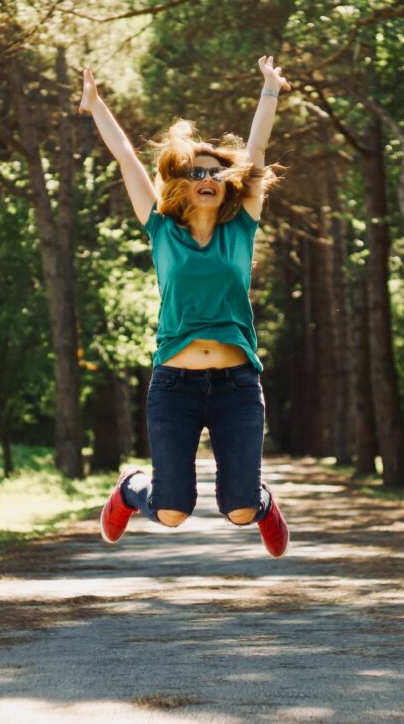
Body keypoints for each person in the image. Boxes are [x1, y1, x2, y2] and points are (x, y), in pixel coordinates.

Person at [79, 56, 291, 557]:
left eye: (216, 172)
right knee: (172, 512)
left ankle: (259, 502)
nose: (207, 178)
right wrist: (95, 105)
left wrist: (270, 90)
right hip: (175, 385)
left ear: (227, 183)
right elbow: (127, 158)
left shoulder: (241, 227)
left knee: (240, 510)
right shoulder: (161, 229)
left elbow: (256, 150)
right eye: (197, 172)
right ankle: (130, 489)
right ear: (182, 183)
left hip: (237, 385)